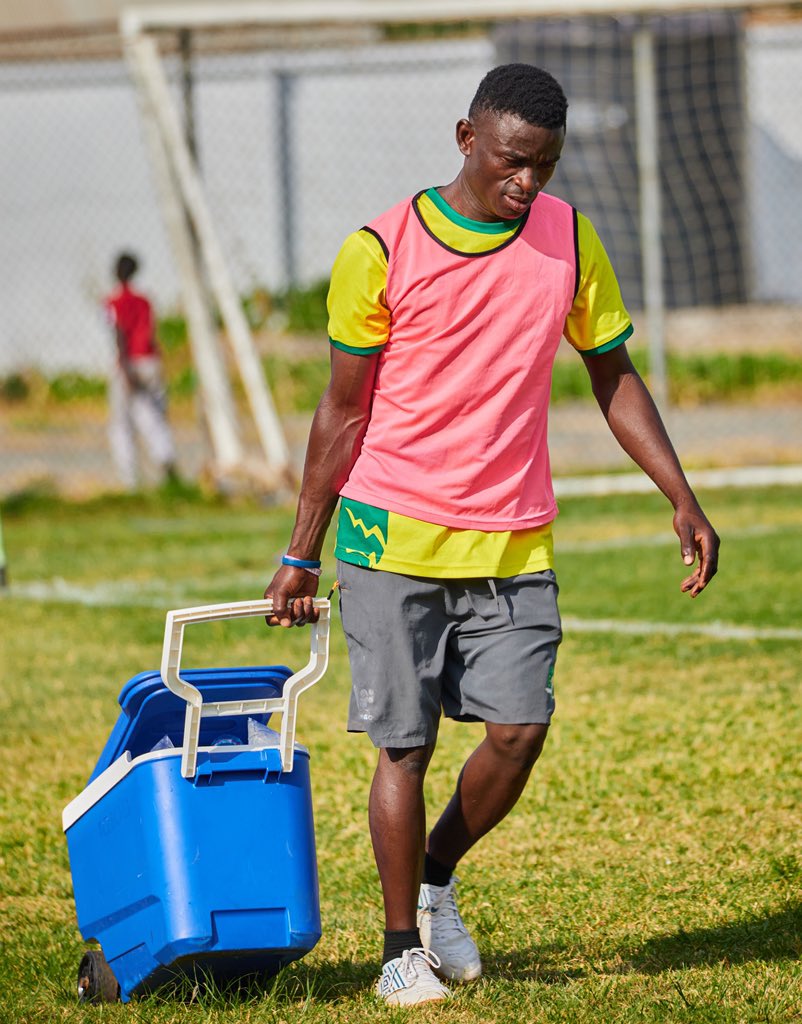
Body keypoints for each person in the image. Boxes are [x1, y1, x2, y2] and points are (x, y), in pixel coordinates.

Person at [264, 63, 719, 1007]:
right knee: (406, 747)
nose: (527, 184)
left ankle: (436, 884)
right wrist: (301, 550)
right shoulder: (380, 249)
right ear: (467, 136)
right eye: (514, 161)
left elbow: (613, 372)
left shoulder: (567, 237)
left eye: (543, 167)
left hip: (513, 540)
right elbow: (342, 414)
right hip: (391, 540)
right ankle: (399, 949)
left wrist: (680, 492)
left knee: (519, 732)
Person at [104, 252, 177, 489]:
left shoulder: (113, 302)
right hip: (150, 362)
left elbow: (118, 333)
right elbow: (149, 332)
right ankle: (164, 456)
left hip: (129, 362)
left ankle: (129, 479)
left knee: (121, 422)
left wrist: (124, 366)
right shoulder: (145, 301)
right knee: (152, 415)